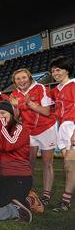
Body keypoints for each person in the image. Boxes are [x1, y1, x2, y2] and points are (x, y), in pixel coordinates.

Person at [10, 68, 56, 206]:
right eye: (18, 79)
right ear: (14, 82)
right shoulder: (14, 94)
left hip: (46, 128)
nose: (21, 81)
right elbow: (16, 117)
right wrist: (15, 107)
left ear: (29, 78)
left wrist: (30, 105)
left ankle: (46, 195)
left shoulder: (40, 88)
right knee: (29, 163)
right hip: (29, 131)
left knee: (47, 163)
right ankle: (29, 191)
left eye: (23, 77)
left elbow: (47, 111)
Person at [48, 56, 75, 211]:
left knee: (69, 165)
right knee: (69, 167)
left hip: (73, 127)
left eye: (58, 70)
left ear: (67, 70)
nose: (55, 73)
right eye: (52, 71)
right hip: (63, 130)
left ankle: (65, 201)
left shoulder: (73, 85)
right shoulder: (56, 91)